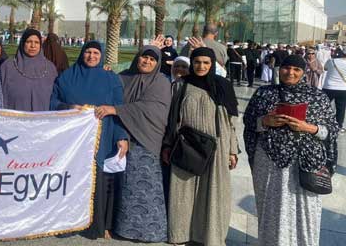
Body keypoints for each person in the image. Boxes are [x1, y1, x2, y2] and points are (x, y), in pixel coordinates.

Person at [243, 55, 339, 246]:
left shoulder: (317, 97)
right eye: (286, 68)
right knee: (271, 207)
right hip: (269, 160)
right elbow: (249, 121)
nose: (290, 73)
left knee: (305, 210)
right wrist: (265, 121)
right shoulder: (264, 93)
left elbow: (332, 130)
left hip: (305, 163)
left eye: (296, 69)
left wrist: (308, 127)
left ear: (304, 72)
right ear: (279, 69)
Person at [50, 41, 128, 239]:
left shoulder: (111, 79)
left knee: (97, 179)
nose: (91, 56)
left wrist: (121, 136)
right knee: (72, 178)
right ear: (82, 53)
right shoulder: (67, 77)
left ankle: (95, 225)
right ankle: (69, 222)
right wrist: (68, 107)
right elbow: (53, 102)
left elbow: (119, 108)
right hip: (73, 140)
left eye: (95, 53)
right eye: (88, 52)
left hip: (102, 136)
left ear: (101, 56)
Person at [161, 47, 239, 246]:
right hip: (187, 144)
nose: (201, 66)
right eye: (197, 62)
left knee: (213, 192)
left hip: (217, 147)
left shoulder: (223, 86)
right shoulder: (181, 85)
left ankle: (211, 237)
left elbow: (230, 121)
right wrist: (168, 144)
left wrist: (232, 150)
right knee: (183, 191)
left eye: (206, 62)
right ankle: (181, 233)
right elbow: (172, 118)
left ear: (212, 64)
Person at [94, 45, 171, 243]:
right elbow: (107, 91)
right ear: (138, 58)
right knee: (120, 184)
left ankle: (149, 232)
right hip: (120, 135)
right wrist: (104, 71)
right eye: (144, 57)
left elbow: (153, 110)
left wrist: (117, 110)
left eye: (152, 60)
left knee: (144, 186)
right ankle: (121, 228)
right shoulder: (123, 77)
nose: (147, 62)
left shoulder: (161, 82)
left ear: (157, 63)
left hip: (145, 140)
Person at [0, 29, 58, 111]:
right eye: (29, 42)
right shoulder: (8, 66)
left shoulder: (50, 68)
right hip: (15, 115)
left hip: (43, 116)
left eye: (36, 42)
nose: (33, 46)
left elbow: (56, 96)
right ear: (23, 43)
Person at [322, 48, 346, 133]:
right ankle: (339, 126)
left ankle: (322, 123)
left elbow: (325, 68)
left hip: (328, 87)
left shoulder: (331, 61)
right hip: (343, 89)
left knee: (323, 106)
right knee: (341, 109)